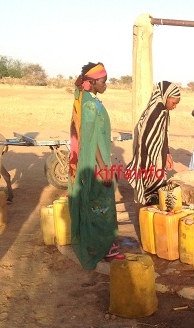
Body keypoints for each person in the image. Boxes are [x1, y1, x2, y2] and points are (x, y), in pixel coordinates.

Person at [68, 61, 118, 270]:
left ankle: (102, 243)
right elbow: (89, 140)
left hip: (101, 159)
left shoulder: (90, 100)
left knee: (99, 202)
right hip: (95, 163)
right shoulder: (88, 103)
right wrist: (103, 167)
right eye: (103, 81)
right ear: (92, 81)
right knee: (99, 203)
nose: (106, 84)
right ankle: (99, 246)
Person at [127, 81, 181, 206]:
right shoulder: (155, 111)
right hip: (149, 160)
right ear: (166, 96)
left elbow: (163, 135)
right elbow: (146, 139)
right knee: (152, 195)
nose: (174, 106)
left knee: (158, 193)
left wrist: (166, 153)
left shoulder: (164, 111)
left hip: (158, 159)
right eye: (173, 103)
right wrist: (152, 163)